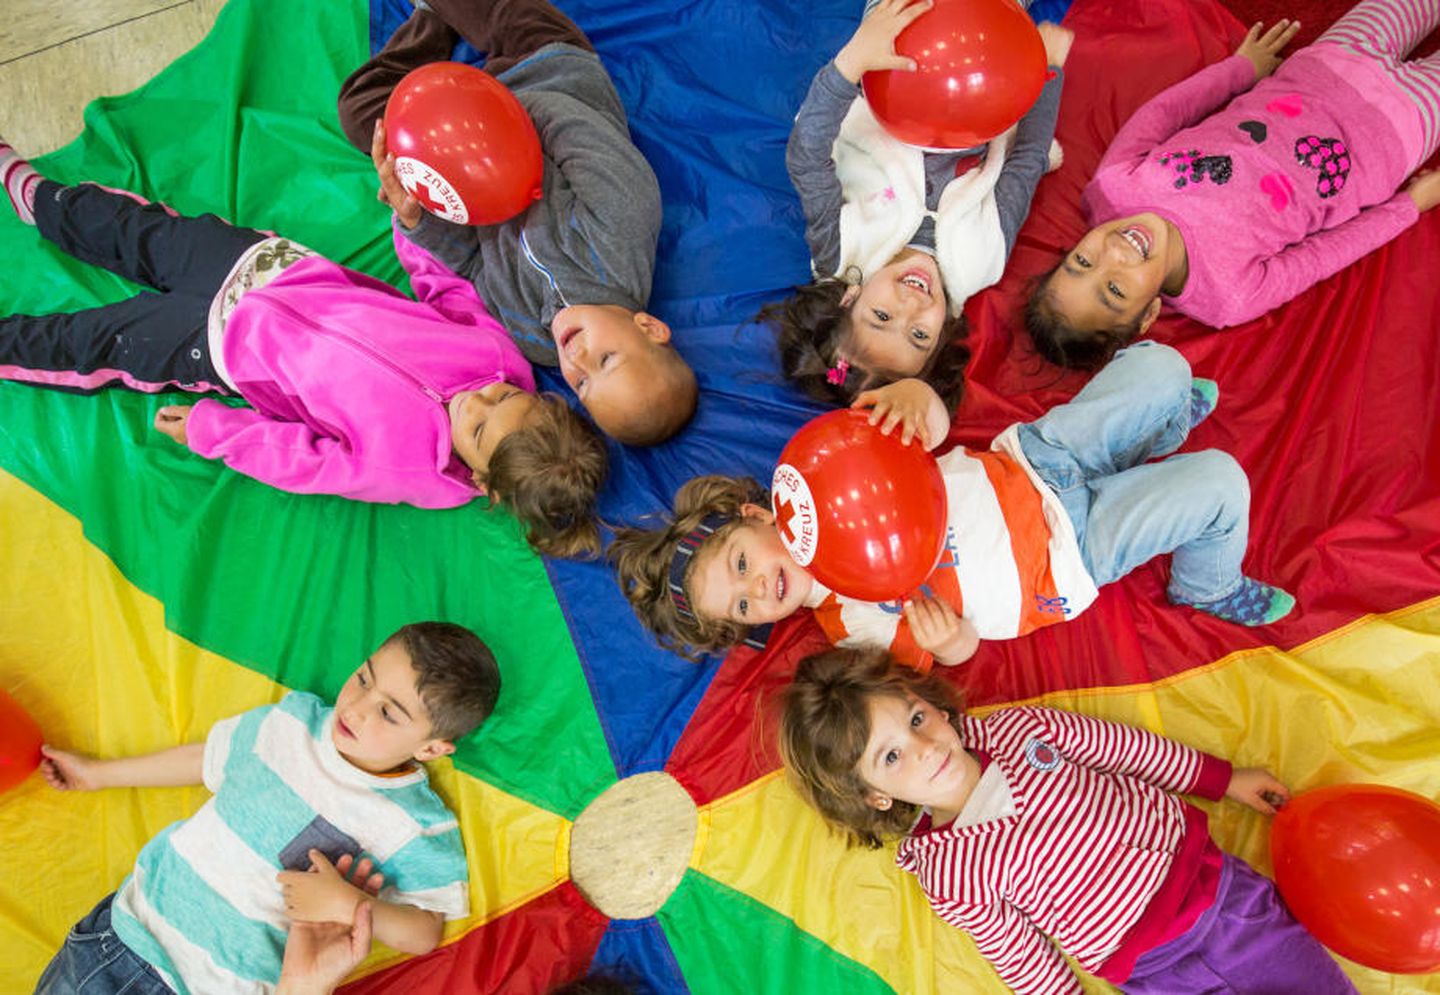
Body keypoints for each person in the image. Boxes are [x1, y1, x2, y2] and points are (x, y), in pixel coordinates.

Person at [0, 146, 606, 556]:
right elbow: (444, 289)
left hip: (215, 346)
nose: (475, 399)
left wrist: (215, 431)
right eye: (501, 397)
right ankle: (45, 202)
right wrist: (411, 225)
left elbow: (307, 461)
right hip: (264, 268)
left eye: (476, 426)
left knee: (89, 342)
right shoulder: (498, 360)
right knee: (138, 230)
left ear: (483, 483)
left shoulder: (410, 469)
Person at [612, 342, 1292, 667]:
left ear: (755, 516)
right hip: (1065, 559)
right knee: (1222, 483)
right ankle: (1209, 584)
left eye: (737, 563)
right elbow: (958, 656)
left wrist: (914, 397)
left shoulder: (824, 471)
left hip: (1037, 457)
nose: (756, 587)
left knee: (1166, 368)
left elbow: (928, 433)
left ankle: (1155, 428)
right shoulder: (851, 626)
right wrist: (954, 640)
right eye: (742, 606)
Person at [777, 646, 1358, 994]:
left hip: (1225, 894)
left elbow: (1126, 749)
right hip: (1157, 970)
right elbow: (1023, 958)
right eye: (892, 756)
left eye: (917, 718)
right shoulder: (948, 873)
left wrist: (1223, 780)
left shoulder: (1019, 730)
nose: (926, 746)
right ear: (875, 796)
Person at [33, 622, 499, 994]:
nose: (356, 708)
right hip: (120, 937)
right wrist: (97, 774)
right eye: (362, 679)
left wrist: (353, 905)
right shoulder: (290, 722)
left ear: (433, 749)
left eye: (389, 713)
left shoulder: (415, 824)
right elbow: (208, 758)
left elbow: (424, 932)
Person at [338, 0, 697, 446]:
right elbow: (577, 129)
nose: (577, 359)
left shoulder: (533, 337)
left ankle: (433, 23)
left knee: (359, 113)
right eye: (606, 360)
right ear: (648, 327)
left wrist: (418, 218)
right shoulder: (622, 230)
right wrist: (488, 112)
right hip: (545, 76)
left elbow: (472, 263)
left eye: (582, 384)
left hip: (456, 133)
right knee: (504, 15)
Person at [1027, 3, 1440, 369]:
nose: (1113, 253)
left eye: (1082, 262)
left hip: (1329, 66)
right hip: (1395, 131)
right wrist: (1406, 207)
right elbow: (1322, 256)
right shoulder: (1227, 296)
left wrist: (1240, 70)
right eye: (1114, 289)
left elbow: (1163, 114)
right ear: (1148, 314)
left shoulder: (1112, 191)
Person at [760, 0, 1071, 414]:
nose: (911, 306)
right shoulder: (982, 258)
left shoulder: (841, 249)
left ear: (850, 298)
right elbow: (1026, 161)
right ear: (942, 334)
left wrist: (855, 59)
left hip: (897, 61)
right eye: (920, 335)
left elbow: (808, 155)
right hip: (984, 75)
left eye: (882, 316)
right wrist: (1047, 73)